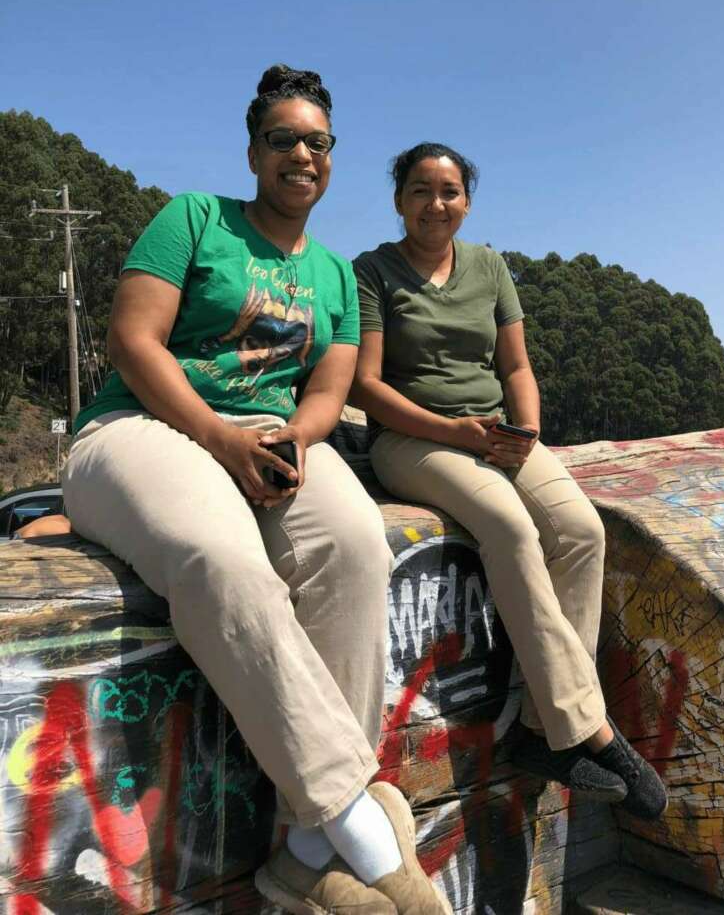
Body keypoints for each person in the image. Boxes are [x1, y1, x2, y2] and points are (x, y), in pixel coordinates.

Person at [62, 70, 452, 915]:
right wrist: (220, 439)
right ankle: (359, 826)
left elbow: (330, 387)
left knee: (354, 544)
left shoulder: (336, 275)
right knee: (222, 561)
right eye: (283, 139)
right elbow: (133, 340)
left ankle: (304, 850)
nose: (302, 154)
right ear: (252, 153)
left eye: (318, 142)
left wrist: (296, 441)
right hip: (143, 428)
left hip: (269, 439)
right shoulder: (195, 219)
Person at [351, 142, 668, 821]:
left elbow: (516, 367)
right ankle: (590, 731)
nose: (435, 204)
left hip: (496, 433)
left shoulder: (490, 267)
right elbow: (367, 386)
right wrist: (455, 432)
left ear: (467, 201)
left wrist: (525, 431)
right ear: (398, 199)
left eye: (449, 191)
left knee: (580, 531)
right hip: (411, 440)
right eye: (420, 190)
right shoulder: (373, 272)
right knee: (510, 529)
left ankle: (538, 729)